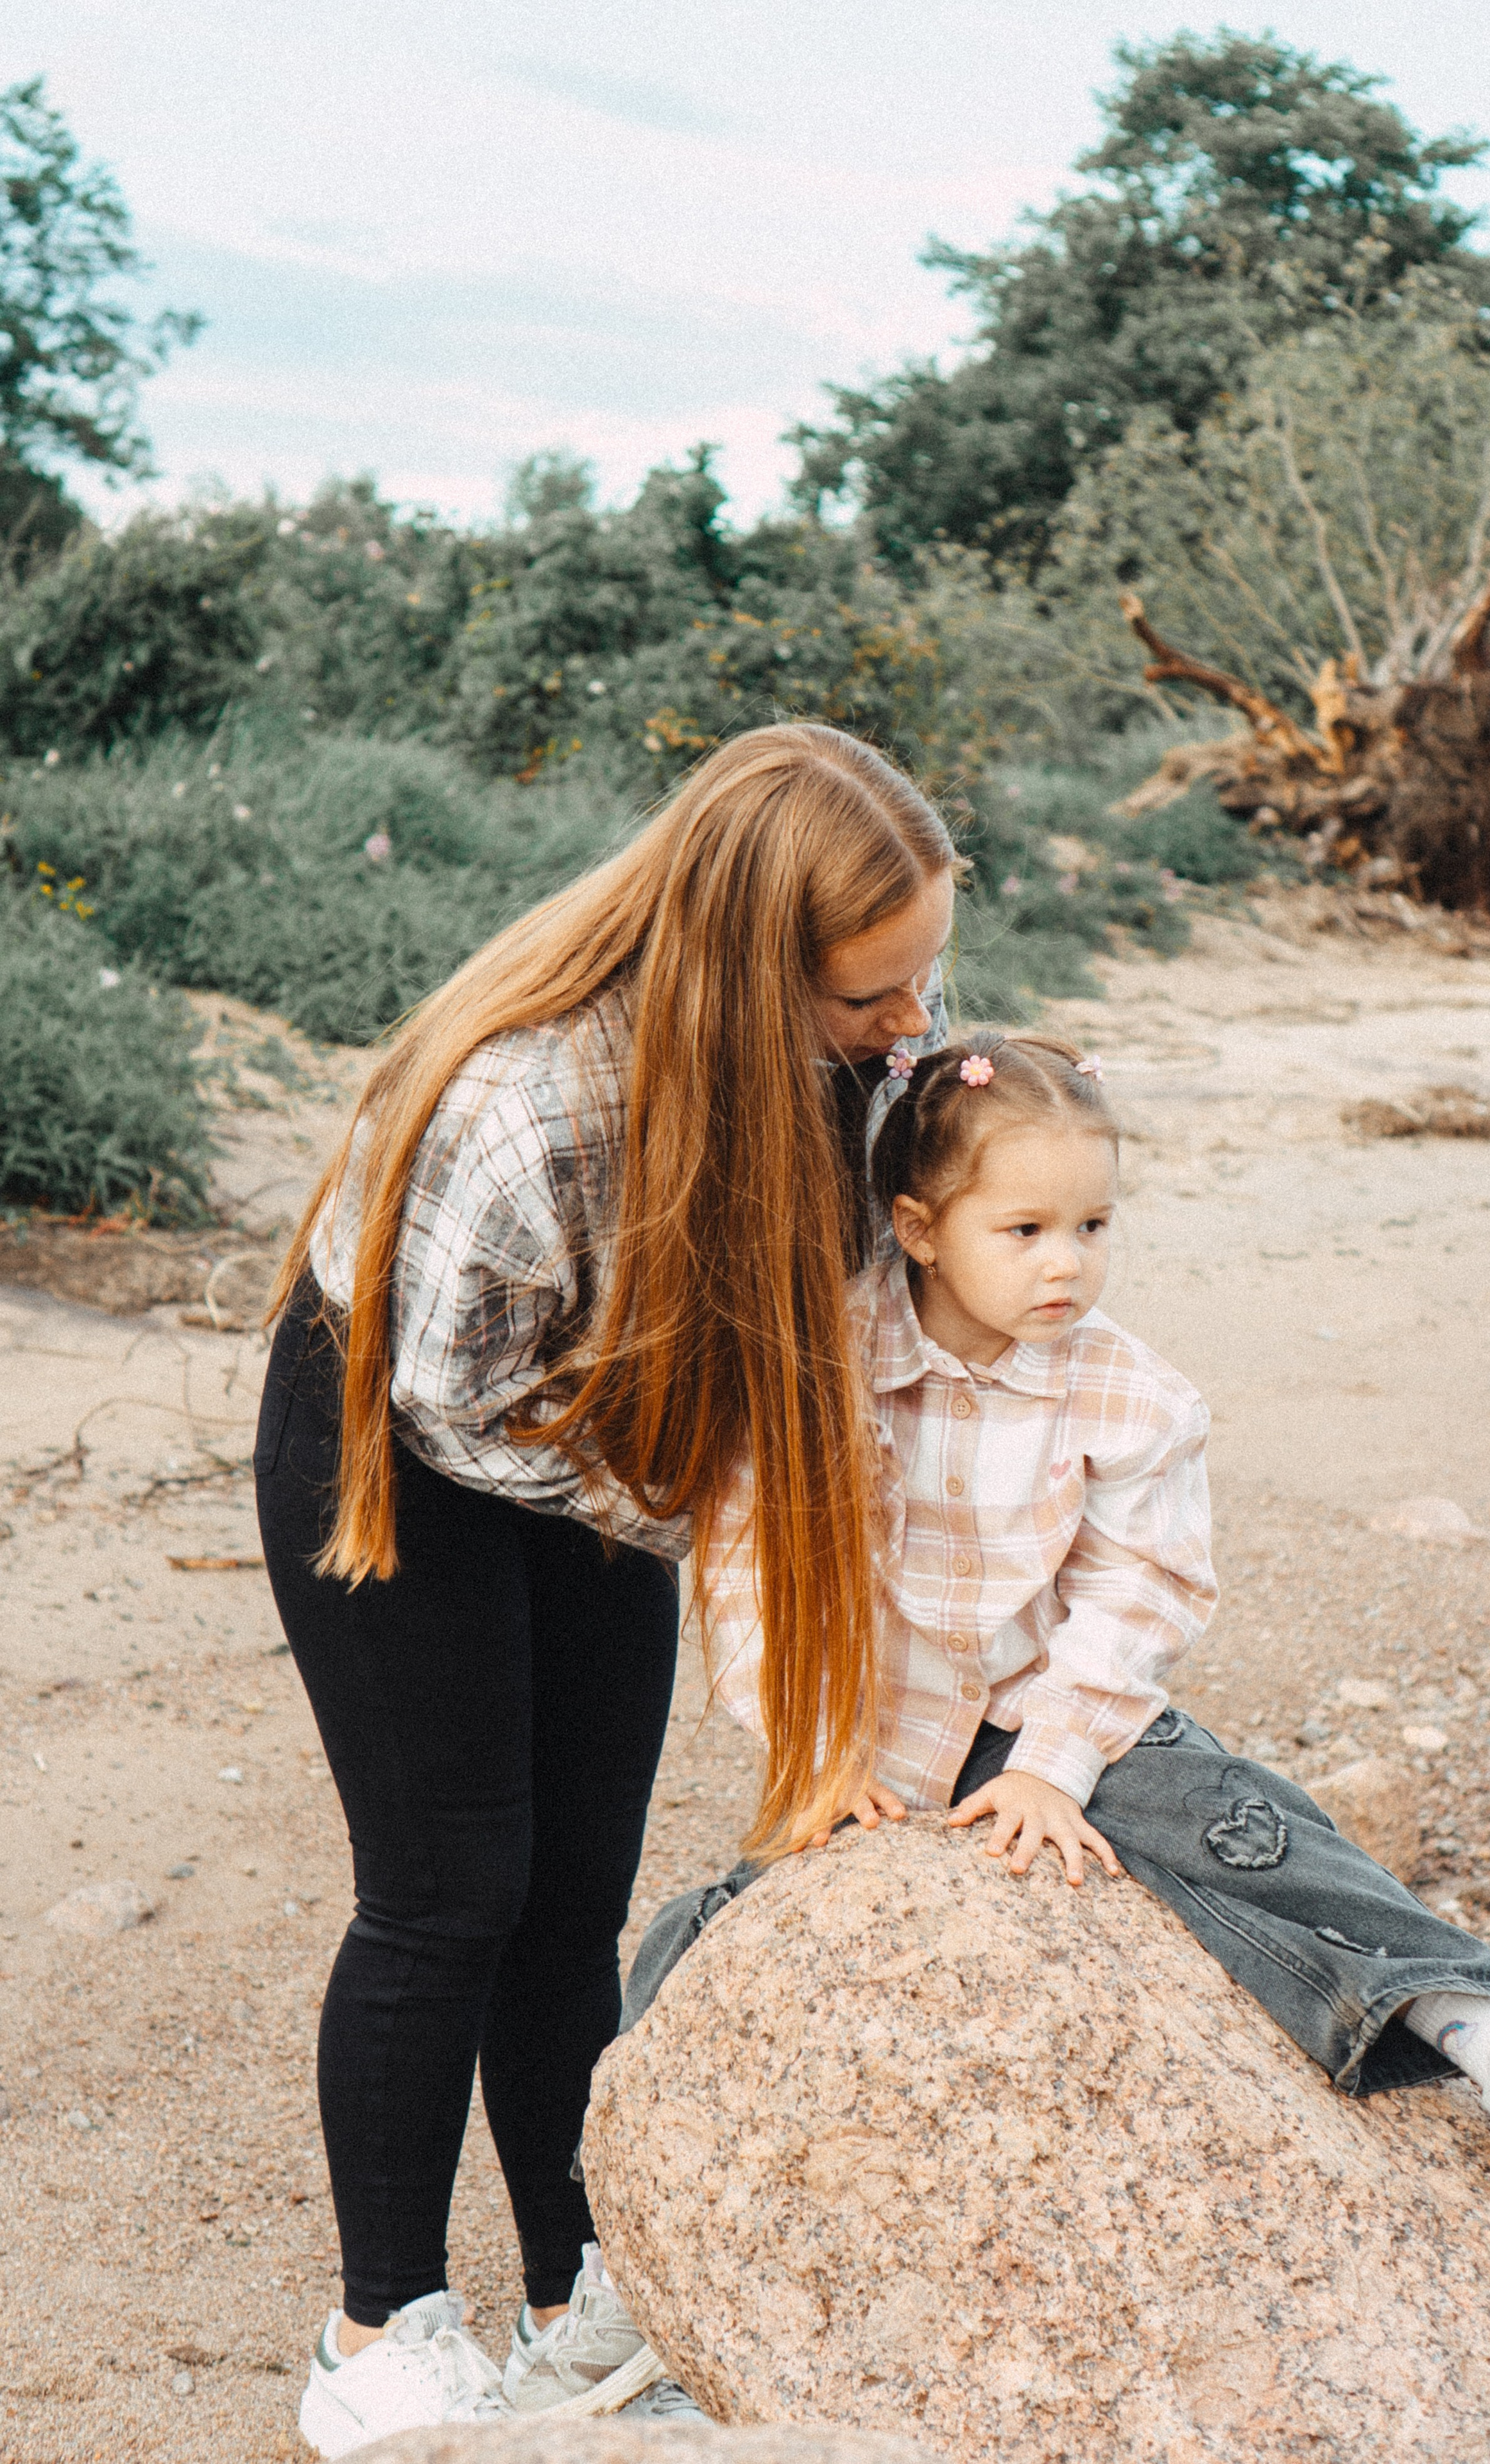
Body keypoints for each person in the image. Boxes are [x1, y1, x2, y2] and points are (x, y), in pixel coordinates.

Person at [252, 723, 961, 2455]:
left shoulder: (858, 1031)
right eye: (872, 995)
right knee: (451, 1889)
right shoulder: (532, 1102)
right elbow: (461, 1406)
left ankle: (573, 2298)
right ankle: (378, 2331)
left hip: (620, 1433)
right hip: (406, 1443)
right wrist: (717, 1503)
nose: (912, 1022)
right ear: (753, 971)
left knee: (575, 1896)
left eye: (925, 975)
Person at [650, 1029, 1490, 2203]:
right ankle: (621, 2247)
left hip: (1047, 1711)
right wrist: (819, 1748)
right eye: (1025, 1231)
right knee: (700, 1941)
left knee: (1236, 1829)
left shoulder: (1129, 1394)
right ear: (919, 1230)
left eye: (1093, 1226)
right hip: (867, 1740)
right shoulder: (820, 1362)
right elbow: (750, 1568)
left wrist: (1054, 1762)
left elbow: (1140, 1588)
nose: (1065, 1265)